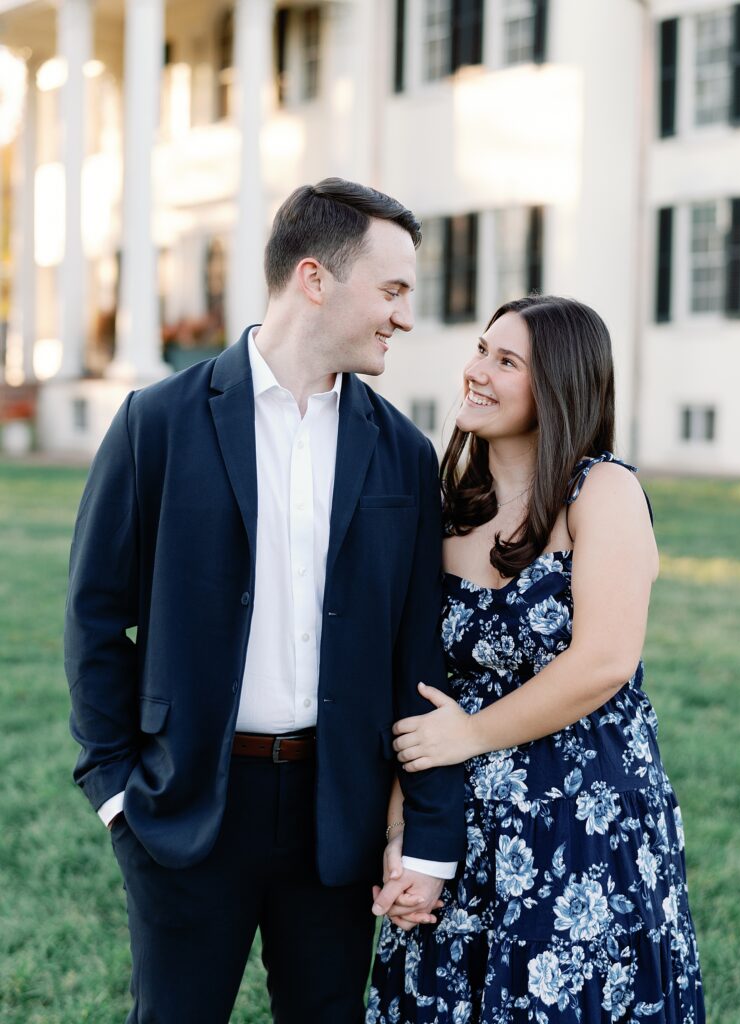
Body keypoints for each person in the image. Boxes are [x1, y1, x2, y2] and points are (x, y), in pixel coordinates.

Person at [64, 178, 464, 1024]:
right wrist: (116, 791)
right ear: (315, 278)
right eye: (392, 290)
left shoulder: (401, 452)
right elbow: (94, 616)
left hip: (338, 814)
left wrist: (425, 832)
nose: (404, 317)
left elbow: (416, 658)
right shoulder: (155, 424)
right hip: (185, 804)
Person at [367, 296, 705, 1023]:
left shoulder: (601, 490)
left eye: (506, 361)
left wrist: (471, 733)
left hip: (583, 821)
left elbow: (605, 661)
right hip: (462, 825)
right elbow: (416, 690)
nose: (476, 371)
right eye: (480, 350)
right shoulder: (445, 511)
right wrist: (403, 839)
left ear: (556, 386)